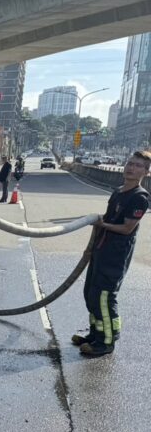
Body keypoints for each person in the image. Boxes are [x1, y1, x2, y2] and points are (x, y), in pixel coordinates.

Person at [71, 150, 151, 357]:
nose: (131, 168)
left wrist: (101, 224)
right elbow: (108, 219)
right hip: (101, 250)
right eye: (130, 163)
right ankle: (96, 334)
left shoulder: (139, 197)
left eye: (138, 165)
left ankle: (105, 342)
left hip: (115, 255)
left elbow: (127, 229)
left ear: (146, 172)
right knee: (91, 293)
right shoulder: (118, 191)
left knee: (104, 297)